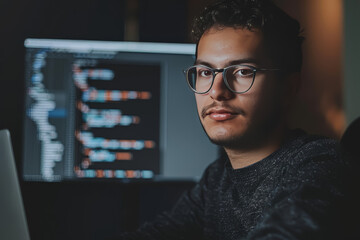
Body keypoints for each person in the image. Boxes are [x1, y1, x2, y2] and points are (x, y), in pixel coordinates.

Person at [118, 0, 350, 239]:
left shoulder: (319, 164)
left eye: (242, 72)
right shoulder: (217, 179)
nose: (217, 91)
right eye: (206, 72)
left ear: (288, 88)